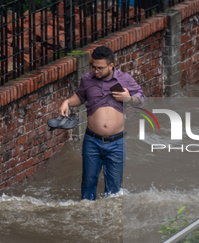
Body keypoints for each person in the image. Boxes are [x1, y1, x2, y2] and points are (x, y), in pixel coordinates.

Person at [59, 46, 146, 200]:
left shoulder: (125, 79)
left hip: (116, 143)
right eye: (93, 67)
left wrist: (128, 99)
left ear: (111, 65)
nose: (95, 71)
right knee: (88, 184)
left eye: (99, 68)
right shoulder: (87, 79)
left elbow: (141, 99)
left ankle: (109, 221)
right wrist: (67, 102)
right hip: (92, 141)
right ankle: (88, 217)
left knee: (114, 189)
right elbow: (80, 97)